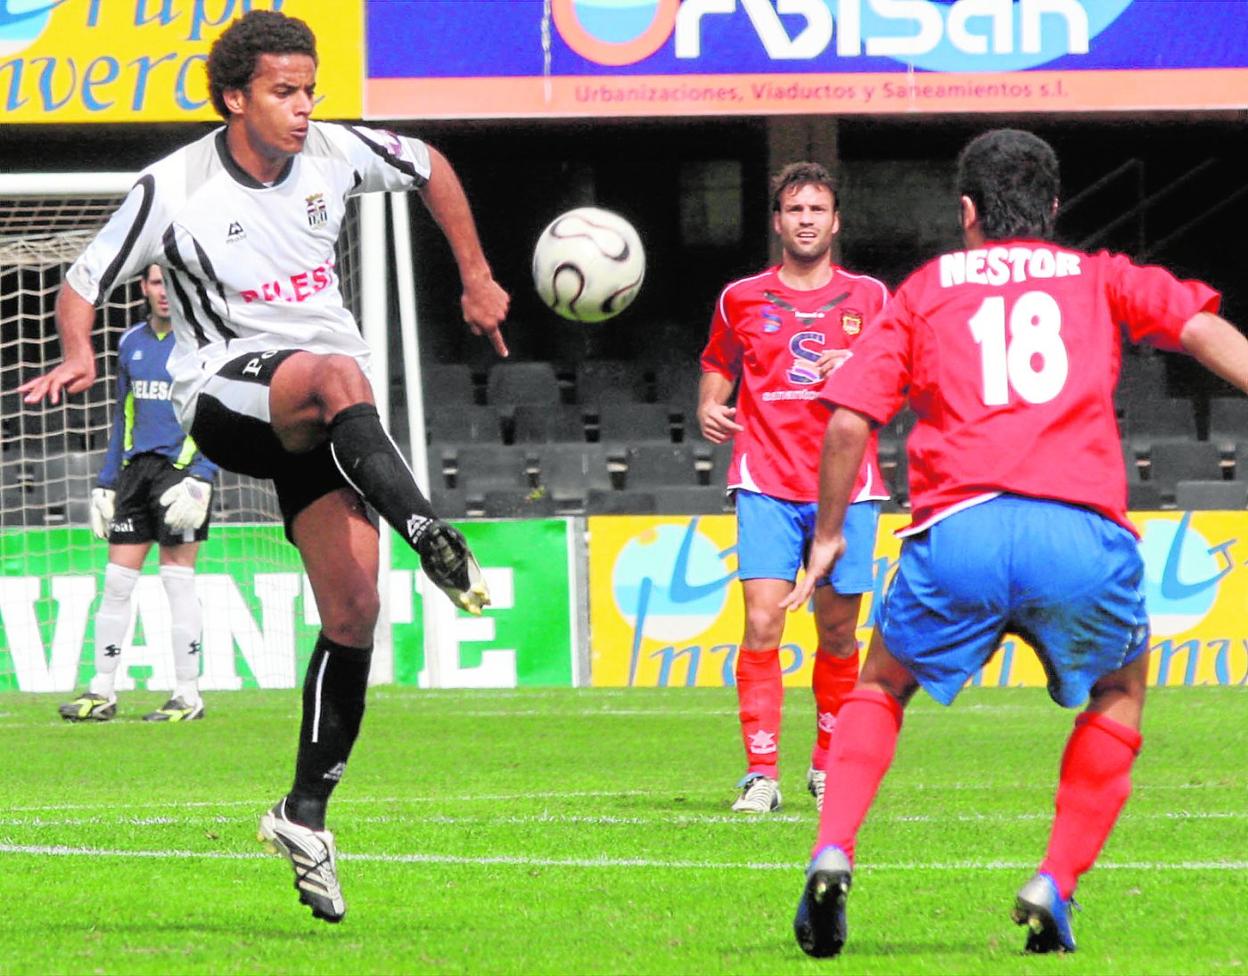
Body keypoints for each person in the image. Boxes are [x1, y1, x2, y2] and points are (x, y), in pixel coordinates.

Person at [19, 10, 509, 924]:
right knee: (334, 371)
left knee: (356, 610)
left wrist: (476, 275)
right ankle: (429, 529)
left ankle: (303, 815)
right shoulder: (174, 186)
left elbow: (432, 165)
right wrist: (81, 350)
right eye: (284, 92)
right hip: (224, 394)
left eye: (310, 89)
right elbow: (81, 279)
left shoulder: (332, 152)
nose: (303, 108)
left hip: (325, 415)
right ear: (235, 97)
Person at [782, 128, 1248, 958]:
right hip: (1078, 532)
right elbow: (1200, 328)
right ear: (1055, 209)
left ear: (967, 212)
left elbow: (851, 418)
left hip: (957, 530)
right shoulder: (1099, 275)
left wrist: (825, 537)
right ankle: (1054, 882)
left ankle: (832, 848)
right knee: (1119, 691)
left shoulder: (924, 291)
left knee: (882, 684)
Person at [698, 162, 890, 814]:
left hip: (851, 486)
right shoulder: (740, 298)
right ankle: (761, 775)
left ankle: (827, 766)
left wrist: (860, 363)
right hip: (766, 479)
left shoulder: (872, 299)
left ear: (835, 222)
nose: (805, 219)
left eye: (817, 209)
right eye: (794, 209)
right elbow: (717, 363)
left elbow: (906, 377)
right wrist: (709, 405)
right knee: (761, 622)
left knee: (838, 635)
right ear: (778, 221)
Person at [58, 264, 218, 724]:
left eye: (169, 282)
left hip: (182, 473)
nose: (163, 291)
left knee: (177, 580)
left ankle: (188, 694)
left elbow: (216, 413)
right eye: (154, 282)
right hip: (135, 472)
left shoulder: (201, 342)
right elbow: (121, 413)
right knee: (116, 584)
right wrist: (106, 482)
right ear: (143, 288)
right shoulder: (130, 342)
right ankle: (101, 692)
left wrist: (202, 477)